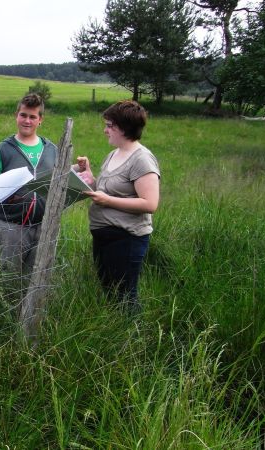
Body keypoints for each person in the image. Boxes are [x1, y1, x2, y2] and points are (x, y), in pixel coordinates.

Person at [74, 100, 160, 314]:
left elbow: (150, 203)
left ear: (124, 127)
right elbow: (105, 191)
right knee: (110, 293)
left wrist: (108, 201)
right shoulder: (113, 154)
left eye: (109, 125)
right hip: (104, 237)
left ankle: (133, 332)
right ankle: (116, 330)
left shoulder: (142, 160)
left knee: (125, 297)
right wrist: (89, 176)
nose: (105, 130)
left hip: (127, 239)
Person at [0, 93, 57, 279]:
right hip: (11, 227)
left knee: (38, 278)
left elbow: (59, 177)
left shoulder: (51, 149)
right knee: (10, 278)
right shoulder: (3, 149)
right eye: (23, 115)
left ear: (40, 120)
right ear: (16, 116)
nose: (27, 121)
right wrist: (10, 182)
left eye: (33, 117)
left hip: (44, 225)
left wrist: (78, 169)